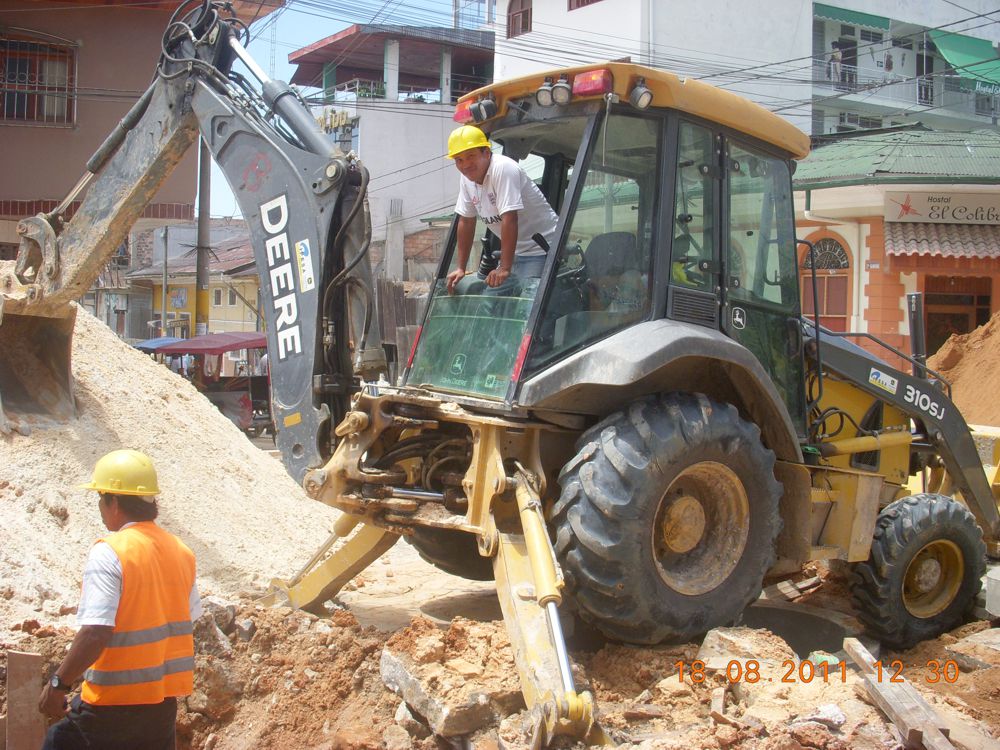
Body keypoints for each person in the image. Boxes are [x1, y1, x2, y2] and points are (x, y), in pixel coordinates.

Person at [38, 449, 201, 750]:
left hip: (111, 705)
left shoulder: (110, 552)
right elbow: (185, 618)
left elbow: (95, 631)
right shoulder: (182, 552)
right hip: (160, 705)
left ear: (114, 502)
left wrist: (59, 684)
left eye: (101, 498)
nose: (100, 507)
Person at [445, 125, 558, 295]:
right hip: (516, 253)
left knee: (528, 307)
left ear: (487, 153)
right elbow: (466, 220)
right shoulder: (467, 179)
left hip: (544, 250)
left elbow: (510, 218)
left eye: (471, 156)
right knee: (490, 302)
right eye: (459, 160)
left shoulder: (504, 168)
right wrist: (460, 267)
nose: (465, 164)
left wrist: (505, 267)